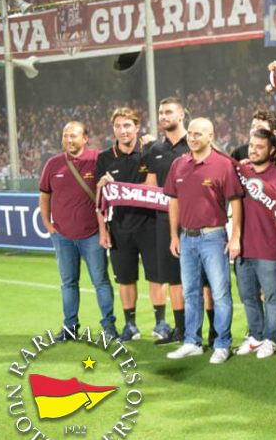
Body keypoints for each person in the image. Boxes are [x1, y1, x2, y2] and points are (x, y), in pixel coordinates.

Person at [164, 118, 244, 364]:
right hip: (186, 238)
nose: (192, 137)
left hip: (213, 236)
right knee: (191, 293)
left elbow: (236, 201)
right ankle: (192, 342)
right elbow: (173, 201)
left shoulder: (223, 165)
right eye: (190, 133)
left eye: (198, 133)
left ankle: (222, 343)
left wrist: (235, 237)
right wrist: (173, 235)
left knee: (220, 294)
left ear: (210, 136)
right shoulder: (178, 164)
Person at [39, 121, 117, 340]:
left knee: (100, 281)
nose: (69, 140)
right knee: (68, 283)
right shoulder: (53, 164)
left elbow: (110, 190)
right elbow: (44, 195)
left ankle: (108, 326)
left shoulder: (98, 160)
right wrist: (48, 225)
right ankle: (70, 327)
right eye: (66, 136)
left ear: (85, 138)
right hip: (62, 236)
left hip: (93, 234)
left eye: (73, 136)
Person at [96, 107, 166, 342]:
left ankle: (161, 323)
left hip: (151, 225)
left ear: (137, 127)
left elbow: (156, 184)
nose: (123, 130)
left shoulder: (150, 151)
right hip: (119, 227)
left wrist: (155, 144)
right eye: (118, 126)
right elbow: (99, 198)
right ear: (113, 129)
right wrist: (103, 230)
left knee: (156, 276)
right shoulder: (104, 158)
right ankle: (130, 325)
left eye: (127, 125)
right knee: (126, 279)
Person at [234, 129, 276, 359]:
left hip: (269, 248)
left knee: (271, 296)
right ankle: (256, 336)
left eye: (260, 147)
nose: (254, 150)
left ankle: (270, 339)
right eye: (251, 145)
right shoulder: (242, 172)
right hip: (242, 246)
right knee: (247, 296)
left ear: (272, 151)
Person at [141, 97, 189, 345]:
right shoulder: (154, 151)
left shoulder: (194, 143)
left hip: (195, 221)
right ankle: (181, 331)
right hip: (164, 221)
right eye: (161, 113)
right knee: (174, 278)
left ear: (181, 115)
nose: (163, 116)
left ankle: (212, 332)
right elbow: (149, 188)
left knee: (203, 281)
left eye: (169, 112)